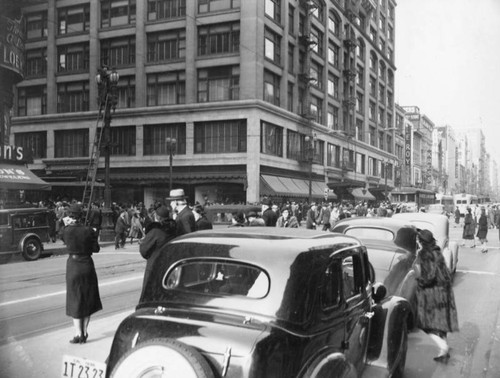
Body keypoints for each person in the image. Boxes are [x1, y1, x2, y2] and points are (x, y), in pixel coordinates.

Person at [414, 229, 459, 362]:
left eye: (418, 239)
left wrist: (419, 282)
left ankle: (443, 346)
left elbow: (429, 276)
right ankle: (443, 354)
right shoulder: (437, 250)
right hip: (445, 291)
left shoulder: (424, 254)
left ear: (422, 241)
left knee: (424, 324)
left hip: (433, 292)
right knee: (442, 323)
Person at [63, 203, 102, 344]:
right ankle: (85, 332)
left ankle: (78, 333)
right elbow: (96, 249)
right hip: (87, 265)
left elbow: (61, 236)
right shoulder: (88, 230)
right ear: (81, 215)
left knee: (75, 299)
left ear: (70, 215)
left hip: (73, 266)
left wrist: (66, 224)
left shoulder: (66, 230)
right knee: (87, 299)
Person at [139, 205, 177, 296]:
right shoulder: (174, 229)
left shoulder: (155, 231)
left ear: (157, 217)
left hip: (154, 266)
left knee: (151, 293)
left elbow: (144, 251)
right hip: (169, 266)